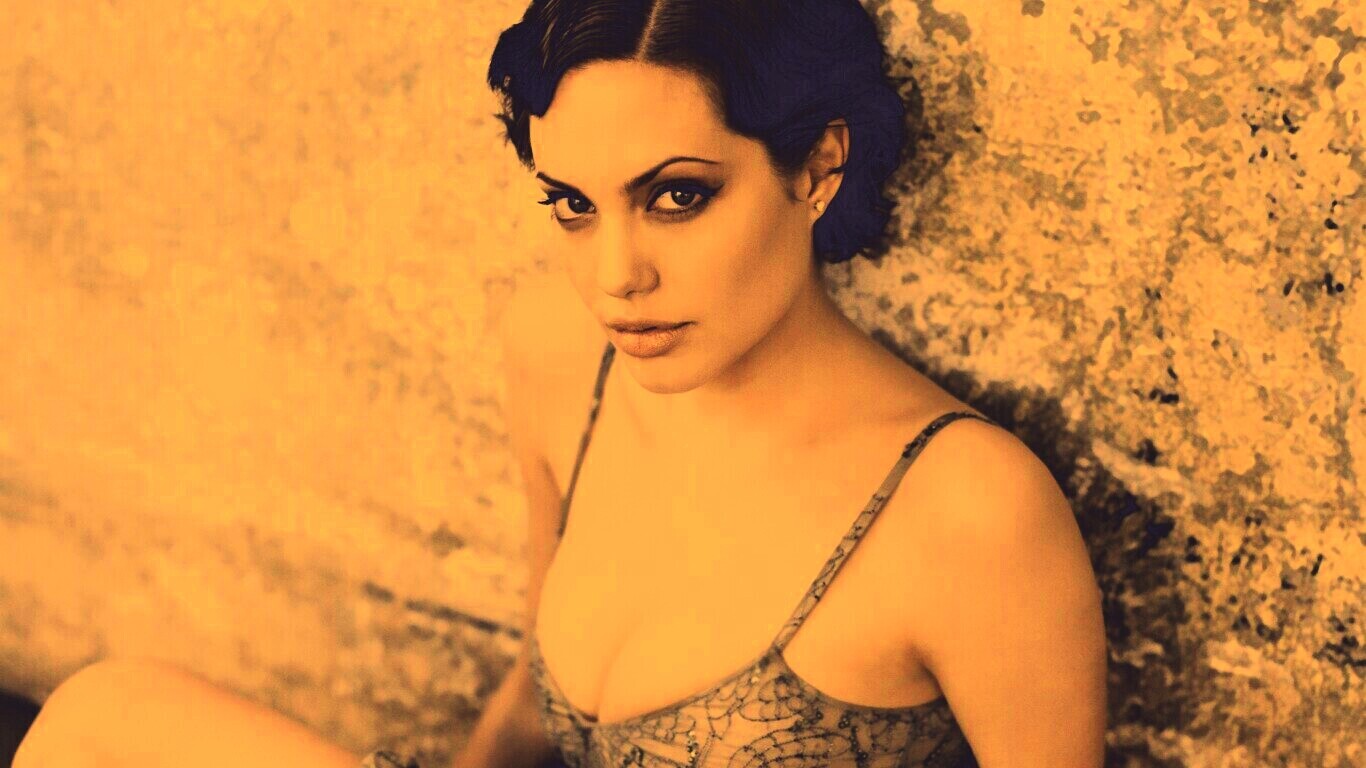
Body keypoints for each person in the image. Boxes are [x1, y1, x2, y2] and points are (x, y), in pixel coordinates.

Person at [14, 1, 1106, 767]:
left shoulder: (968, 511)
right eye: (574, 205)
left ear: (818, 164)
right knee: (106, 720)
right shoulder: (561, 354)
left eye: (677, 196)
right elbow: (534, 691)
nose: (615, 275)